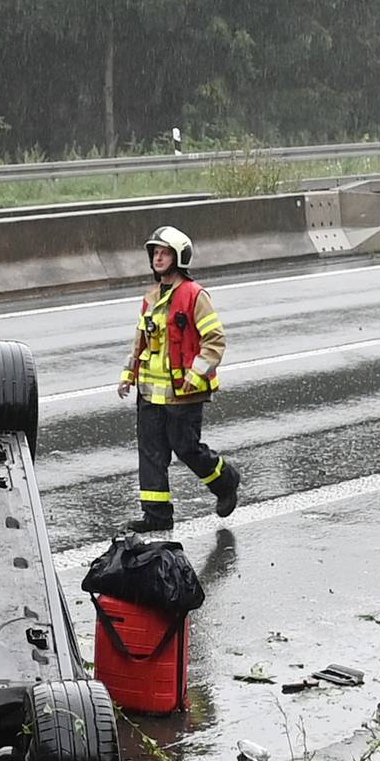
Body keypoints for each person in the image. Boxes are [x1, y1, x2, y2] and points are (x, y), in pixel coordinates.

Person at [115, 226, 241, 532]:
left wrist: (195, 374)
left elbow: (214, 340)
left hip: (183, 393)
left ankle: (225, 481)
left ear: (179, 257)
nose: (158, 258)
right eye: (155, 253)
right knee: (151, 454)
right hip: (150, 393)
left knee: (186, 448)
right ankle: (156, 516)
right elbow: (141, 341)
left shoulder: (195, 296)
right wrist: (129, 374)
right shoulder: (151, 297)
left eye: (165, 253)